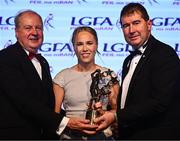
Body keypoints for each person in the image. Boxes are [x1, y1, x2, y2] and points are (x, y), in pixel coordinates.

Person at [0, 10, 82, 140]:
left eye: (38, 28)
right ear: (16, 32)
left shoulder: (42, 61)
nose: (34, 32)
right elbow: (24, 102)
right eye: (28, 28)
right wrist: (66, 122)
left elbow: (47, 103)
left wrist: (78, 116)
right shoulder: (6, 58)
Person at [115, 2, 180, 139]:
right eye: (126, 25)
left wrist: (116, 115)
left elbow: (160, 102)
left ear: (149, 25)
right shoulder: (127, 61)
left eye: (136, 23)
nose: (131, 30)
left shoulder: (164, 54)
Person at [53, 26, 120, 140]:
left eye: (89, 43)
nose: (85, 48)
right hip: (70, 137)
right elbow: (54, 116)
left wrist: (104, 114)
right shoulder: (62, 77)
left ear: (96, 45)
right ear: (73, 47)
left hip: (103, 136)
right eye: (79, 44)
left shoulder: (109, 75)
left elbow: (117, 112)